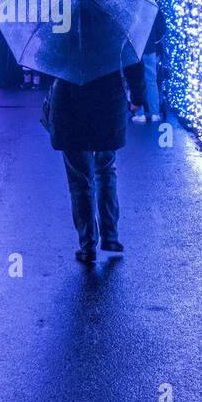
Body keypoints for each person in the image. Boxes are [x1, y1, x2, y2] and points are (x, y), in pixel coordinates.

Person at [44, 60, 147, 263]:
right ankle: (110, 237)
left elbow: (46, 59)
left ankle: (87, 245)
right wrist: (137, 96)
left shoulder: (61, 29)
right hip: (107, 104)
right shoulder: (114, 29)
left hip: (69, 106)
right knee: (106, 172)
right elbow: (133, 60)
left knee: (80, 181)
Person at [131, 20, 163, 123]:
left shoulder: (131, 8)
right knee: (151, 82)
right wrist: (154, 40)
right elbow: (162, 29)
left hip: (135, 50)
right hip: (150, 49)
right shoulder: (153, 7)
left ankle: (140, 112)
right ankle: (154, 113)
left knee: (137, 81)